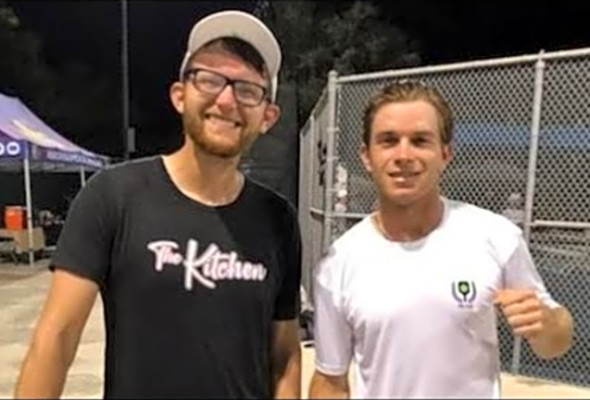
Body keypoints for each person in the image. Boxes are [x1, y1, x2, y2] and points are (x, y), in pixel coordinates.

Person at [15, 10, 302, 399]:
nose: (227, 99)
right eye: (210, 79)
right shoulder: (113, 196)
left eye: (248, 89)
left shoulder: (278, 219)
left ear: (267, 117)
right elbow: (57, 339)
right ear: (180, 96)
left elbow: (284, 354)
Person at [308, 80, 574, 399]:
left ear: (445, 153)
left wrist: (545, 324)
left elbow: (556, 341)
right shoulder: (338, 263)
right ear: (366, 156)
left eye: (420, 140)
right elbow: (330, 381)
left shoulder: (496, 237)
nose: (403, 155)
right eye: (388, 141)